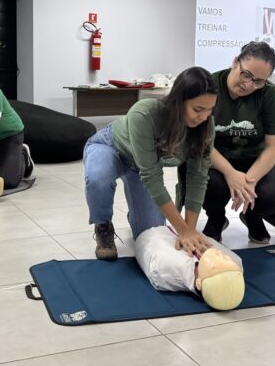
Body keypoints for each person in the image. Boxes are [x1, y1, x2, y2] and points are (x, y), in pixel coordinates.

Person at [85, 66, 218, 261]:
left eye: (210, 109)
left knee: (151, 233)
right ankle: (103, 224)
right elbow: (153, 178)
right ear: (178, 101)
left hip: (139, 166)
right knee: (99, 177)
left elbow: (198, 178)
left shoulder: (205, 127)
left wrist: (189, 230)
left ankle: (136, 214)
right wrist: (181, 229)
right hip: (111, 147)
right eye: (197, 109)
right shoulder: (145, 114)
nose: (204, 117)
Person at [201, 41, 275, 244]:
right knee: (210, 186)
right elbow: (201, 143)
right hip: (216, 159)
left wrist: (249, 181)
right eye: (246, 74)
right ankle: (216, 219)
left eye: (258, 81)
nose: (248, 85)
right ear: (235, 62)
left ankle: (252, 216)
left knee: (270, 195)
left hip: (253, 158)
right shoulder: (209, 86)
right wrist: (230, 174)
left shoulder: (269, 95)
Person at [134, 225, 245, 311]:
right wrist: (186, 230)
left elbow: (147, 240)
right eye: (227, 260)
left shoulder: (163, 270)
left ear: (198, 283)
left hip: (147, 231)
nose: (221, 254)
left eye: (215, 265)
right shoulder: (236, 262)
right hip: (185, 225)